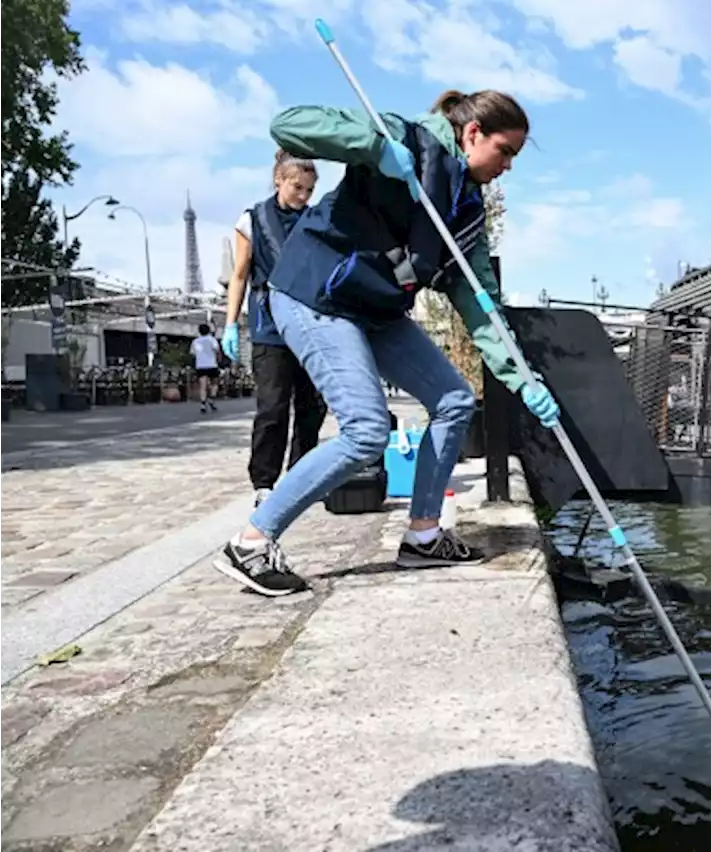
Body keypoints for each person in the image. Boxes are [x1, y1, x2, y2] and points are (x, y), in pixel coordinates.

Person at [213, 89, 560, 597]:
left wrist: (522, 377)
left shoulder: (465, 211)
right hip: (314, 295)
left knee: (454, 401)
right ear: (472, 134)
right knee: (366, 430)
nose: (508, 166)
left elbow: (481, 302)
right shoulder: (403, 138)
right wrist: (374, 149)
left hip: (374, 309)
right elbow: (290, 124)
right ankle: (250, 541)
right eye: (505, 151)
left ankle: (423, 535)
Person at [221, 149, 329, 507]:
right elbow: (239, 275)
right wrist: (231, 324)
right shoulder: (252, 220)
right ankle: (264, 482)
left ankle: (299, 475)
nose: (303, 196)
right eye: (297, 187)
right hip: (270, 327)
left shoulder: (315, 219)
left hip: (309, 323)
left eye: (309, 190)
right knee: (273, 407)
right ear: (278, 181)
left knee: (312, 405)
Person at [189, 324, 222, 413]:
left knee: (203, 386)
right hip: (212, 364)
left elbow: (193, 354)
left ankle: (203, 404)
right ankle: (212, 398)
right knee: (215, 383)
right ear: (208, 331)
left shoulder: (195, 341)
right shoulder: (212, 340)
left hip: (200, 365)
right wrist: (219, 360)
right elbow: (217, 351)